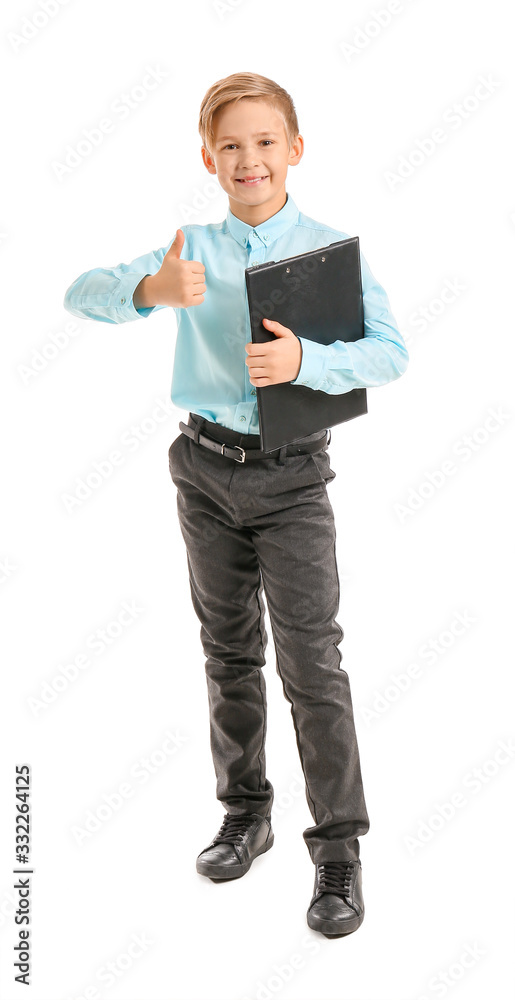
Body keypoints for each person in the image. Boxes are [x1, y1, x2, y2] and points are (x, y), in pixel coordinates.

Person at [63, 71, 409, 938]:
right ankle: (244, 811)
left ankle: (336, 849)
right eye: (231, 145)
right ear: (209, 160)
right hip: (203, 469)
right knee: (226, 651)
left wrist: (308, 366)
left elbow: (390, 353)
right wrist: (148, 292)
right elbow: (81, 292)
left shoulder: (331, 252)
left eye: (265, 142)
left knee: (312, 665)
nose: (248, 158)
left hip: (292, 477)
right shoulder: (189, 249)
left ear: (294, 150)